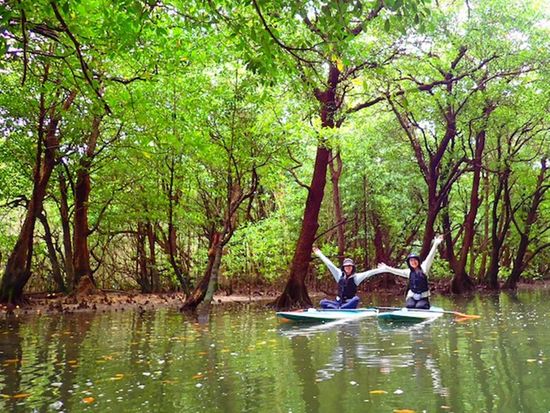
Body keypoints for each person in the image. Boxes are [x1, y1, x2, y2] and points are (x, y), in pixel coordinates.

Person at [377, 235, 443, 309]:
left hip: (423, 296)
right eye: (411, 261)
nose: (413, 262)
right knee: (410, 306)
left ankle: (425, 305)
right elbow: (395, 271)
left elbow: (430, 256)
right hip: (412, 296)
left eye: (415, 260)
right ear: (409, 263)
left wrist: (436, 244)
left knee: (419, 306)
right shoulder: (408, 272)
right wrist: (386, 268)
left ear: (418, 261)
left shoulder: (424, 268)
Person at [313, 247, 386, 309]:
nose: (348, 267)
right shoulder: (339, 274)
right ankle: (338, 308)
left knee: (356, 299)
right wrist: (319, 253)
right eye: (346, 266)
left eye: (350, 266)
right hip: (339, 303)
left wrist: (383, 269)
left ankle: (338, 309)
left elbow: (369, 273)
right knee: (322, 302)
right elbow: (329, 264)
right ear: (343, 267)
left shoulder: (356, 277)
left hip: (349, 303)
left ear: (352, 267)